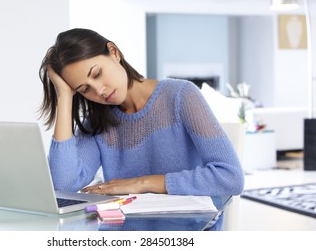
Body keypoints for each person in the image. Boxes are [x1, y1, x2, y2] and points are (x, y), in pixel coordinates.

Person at [38, 28, 244, 229]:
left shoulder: (181, 96)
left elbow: (230, 177)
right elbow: (63, 186)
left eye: (97, 73)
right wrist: (64, 96)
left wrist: (142, 183)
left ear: (114, 52)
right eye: (84, 89)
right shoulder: (97, 122)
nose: (99, 90)